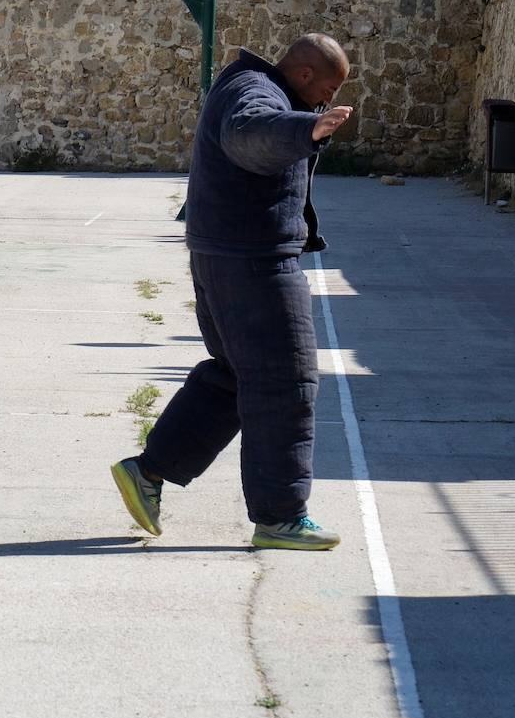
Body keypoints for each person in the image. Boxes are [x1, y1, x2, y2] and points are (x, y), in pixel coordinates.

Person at [111, 34, 354, 551]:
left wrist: (304, 124)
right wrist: (306, 128)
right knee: (285, 383)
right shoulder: (256, 93)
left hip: (224, 255)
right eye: (327, 90)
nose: (327, 101)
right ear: (305, 74)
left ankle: (148, 472)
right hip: (253, 262)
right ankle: (281, 518)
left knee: (235, 375)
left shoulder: (254, 84)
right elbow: (249, 134)